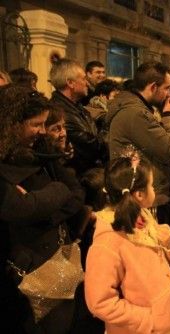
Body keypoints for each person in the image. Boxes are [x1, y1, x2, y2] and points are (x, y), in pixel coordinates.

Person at [0, 85, 91, 332]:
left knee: (67, 320)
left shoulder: (40, 151)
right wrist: (55, 193)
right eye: (36, 125)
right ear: (12, 124)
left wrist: (45, 210)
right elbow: (18, 208)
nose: (42, 132)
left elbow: (74, 193)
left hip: (58, 254)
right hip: (28, 266)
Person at [84, 154, 170, 334]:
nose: (154, 189)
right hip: (147, 328)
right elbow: (99, 301)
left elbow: (156, 267)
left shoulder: (142, 218)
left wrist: (166, 241)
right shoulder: (107, 242)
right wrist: (146, 319)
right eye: (151, 185)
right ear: (139, 194)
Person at [106, 61, 170, 226]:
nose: (169, 94)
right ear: (153, 87)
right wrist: (168, 116)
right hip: (144, 198)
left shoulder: (138, 109)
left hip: (143, 194)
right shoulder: (136, 114)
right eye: (167, 88)